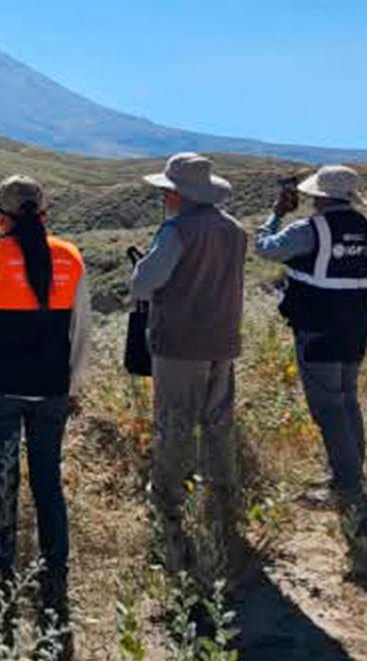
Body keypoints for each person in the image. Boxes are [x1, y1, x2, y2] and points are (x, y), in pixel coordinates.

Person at [0, 175, 91, 654]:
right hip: (51, 389)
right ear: (44, 214)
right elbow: (81, 328)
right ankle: (56, 571)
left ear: (2, 217)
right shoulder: (71, 257)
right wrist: (71, 386)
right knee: (48, 479)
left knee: (2, 478)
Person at [130, 152, 247, 575]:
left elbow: (145, 282)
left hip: (181, 344)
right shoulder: (234, 230)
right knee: (218, 421)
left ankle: (167, 505)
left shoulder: (177, 230)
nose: (164, 196)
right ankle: (224, 499)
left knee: (175, 423)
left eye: (166, 190)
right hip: (223, 339)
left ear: (177, 193)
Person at [254, 165, 367, 534]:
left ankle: (347, 485)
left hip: (317, 331)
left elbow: (265, 250)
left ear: (321, 195)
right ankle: (353, 470)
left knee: (328, 409)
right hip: (356, 328)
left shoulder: (308, 230)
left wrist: (276, 214)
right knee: (347, 400)